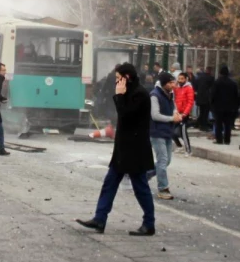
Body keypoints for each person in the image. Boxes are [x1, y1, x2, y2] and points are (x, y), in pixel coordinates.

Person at [76, 63, 156, 236]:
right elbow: (118, 115)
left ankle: (149, 223)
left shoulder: (140, 94)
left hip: (135, 150)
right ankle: (100, 218)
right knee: (109, 183)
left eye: (119, 78)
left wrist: (119, 96)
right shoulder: (128, 93)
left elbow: (127, 115)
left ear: (127, 77)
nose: (117, 81)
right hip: (123, 149)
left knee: (140, 187)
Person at [149, 72, 182, 200]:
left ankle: (144, 175)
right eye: (170, 83)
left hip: (167, 131)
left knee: (166, 161)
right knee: (162, 160)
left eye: (173, 82)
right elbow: (155, 115)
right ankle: (163, 188)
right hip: (157, 132)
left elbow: (173, 107)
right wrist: (171, 119)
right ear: (164, 84)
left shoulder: (169, 95)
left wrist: (176, 114)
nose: (173, 85)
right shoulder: (154, 96)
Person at [211, 66, 240, 145]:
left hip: (218, 107)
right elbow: (236, 96)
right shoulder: (233, 83)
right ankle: (227, 139)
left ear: (220, 72)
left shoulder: (217, 82)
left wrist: (212, 105)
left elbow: (213, 95)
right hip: (229, 108)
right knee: (228, 124)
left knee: (218, 124)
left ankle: (219, 139)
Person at [173, 70, 194, 153]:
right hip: (178, 113)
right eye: (179, 78)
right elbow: (175, 97)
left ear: (186, 79)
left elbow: (190, 102)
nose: (180, 80)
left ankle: (188, 150)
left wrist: (185, 113)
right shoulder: (178, 88)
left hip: (184, 114)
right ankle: (179, 145)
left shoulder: (188, 88)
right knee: (172, 132)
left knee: (183, 132)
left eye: (182, 79)